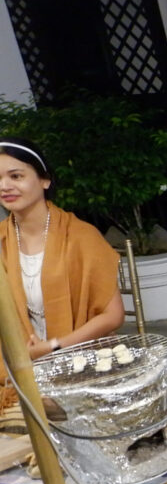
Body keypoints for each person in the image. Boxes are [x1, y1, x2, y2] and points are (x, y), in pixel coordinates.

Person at [1, 137, 124, 407]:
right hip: (19, 364)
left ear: (45, 180)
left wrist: (53, 347)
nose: (4, 186)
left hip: (83, 361)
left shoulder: (81, 236)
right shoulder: (1, 240)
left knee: (44, 409)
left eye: (16, 176)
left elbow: (113, 315)